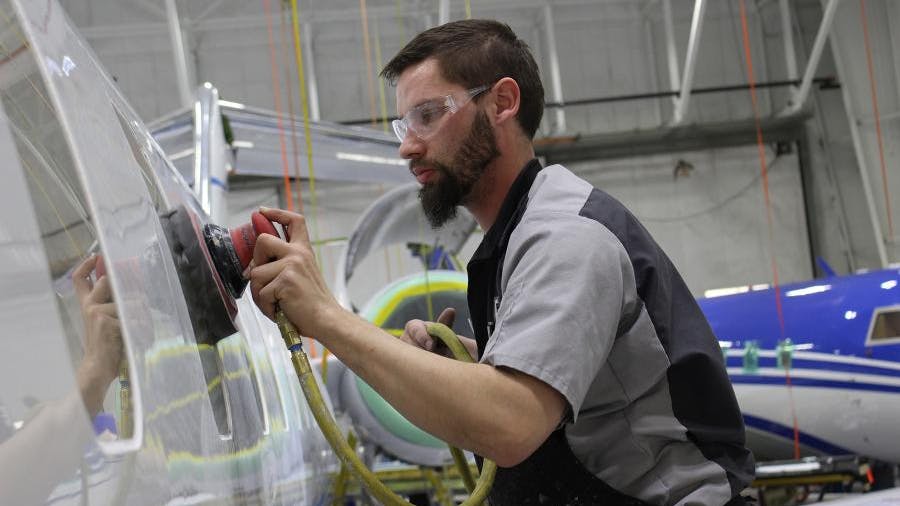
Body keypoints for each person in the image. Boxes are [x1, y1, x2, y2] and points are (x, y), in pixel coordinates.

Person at [247, 19, 754, 505]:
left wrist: (324, 316)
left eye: (428, 115)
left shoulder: (565, 237)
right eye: (404, 124)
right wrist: (465, 369)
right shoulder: (518, 236)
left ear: (502, 103)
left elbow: (510, 426)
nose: (406, 146)